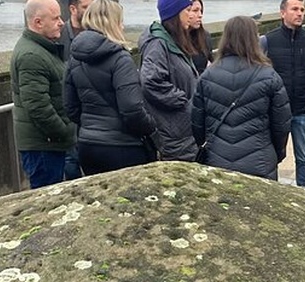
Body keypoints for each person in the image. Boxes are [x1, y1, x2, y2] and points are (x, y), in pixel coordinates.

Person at [64, 0, 159, 175]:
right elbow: (132, 109)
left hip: (87, 145)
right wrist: (152, 126)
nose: (122, 27)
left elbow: (71, 108)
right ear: (112, 23)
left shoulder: (75, 57)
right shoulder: (120, 59)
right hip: (123, 146)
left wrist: (91, 125)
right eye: (120, 21)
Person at [191, 16, 291, 180]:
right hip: (260, 162)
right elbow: (281, 124)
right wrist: (276, 154)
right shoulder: (269, 76)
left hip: (217, 161)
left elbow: (197, 124)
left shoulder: (207, 76)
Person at [10, 0, 75, 189]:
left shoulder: (41, 49)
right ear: (38, 22)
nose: (62, 22)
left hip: (46, 143)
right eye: (55, 18)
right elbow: (37, 105)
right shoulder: (32, 56)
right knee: (46, 196)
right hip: (43, 145)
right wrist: (64, 132)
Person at [261, 0, 305, 189]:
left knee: (303, 158)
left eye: (302, 10)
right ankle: (272, 192)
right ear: (282, 13)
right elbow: (261, 72)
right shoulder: (268, 41)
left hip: (303, 110)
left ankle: (304, 193)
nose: (300, 13)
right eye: (295, 9)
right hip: (275, 110)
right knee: (272, 156)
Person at [139, 0, 200, 161]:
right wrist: (183, 101)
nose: (191, 15)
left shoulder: (174, 41)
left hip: (184, 131)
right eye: (187, 10)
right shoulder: (157, 44)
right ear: (174, 14)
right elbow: (150, 81)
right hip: (174, 132)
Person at [59, 0, 92, 182]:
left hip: (90, 113)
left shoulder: (96, 32)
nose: (91, 12)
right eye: (86, 7)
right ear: (73, 9)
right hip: (69, 113)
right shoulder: (59, 35)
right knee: (70, 163)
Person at [189, 0, 214, 74]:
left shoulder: (205, 37)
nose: (200, 15)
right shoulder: (169, 39)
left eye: (201, 11)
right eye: (195, 10)